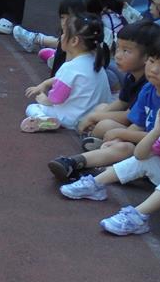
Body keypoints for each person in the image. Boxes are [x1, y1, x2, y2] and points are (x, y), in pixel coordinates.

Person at [58, 34, 160, 236]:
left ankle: (138, 216)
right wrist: (156, 131)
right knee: (145, 158)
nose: (154, 69)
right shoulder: (149, 89)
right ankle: (96, 184)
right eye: (152, 61)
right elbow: (140, 154)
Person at [66, 20, 155, 149]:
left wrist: (94, 117)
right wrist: (96, 116)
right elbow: (122, 102)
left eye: (126, 51)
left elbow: (128, 117)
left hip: (141, 130)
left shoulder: (148, 82)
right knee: (101, 108)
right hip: (132, 125)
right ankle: (95, 138)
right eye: (118, 48)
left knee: (104, 125)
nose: (118, 55)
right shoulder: (131, 76)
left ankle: (96, 141)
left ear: (147, 57)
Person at [21, 13, 111, 132]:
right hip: (91, 118)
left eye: (63, 33)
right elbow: (71, 81)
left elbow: (56, 98)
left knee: (33, 107)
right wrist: (46, 83)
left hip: (71, 119)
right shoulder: (96, 64)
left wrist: (44, 100)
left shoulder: (70, 67)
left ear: (74, 41)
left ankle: (43, 119)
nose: (61, 37)